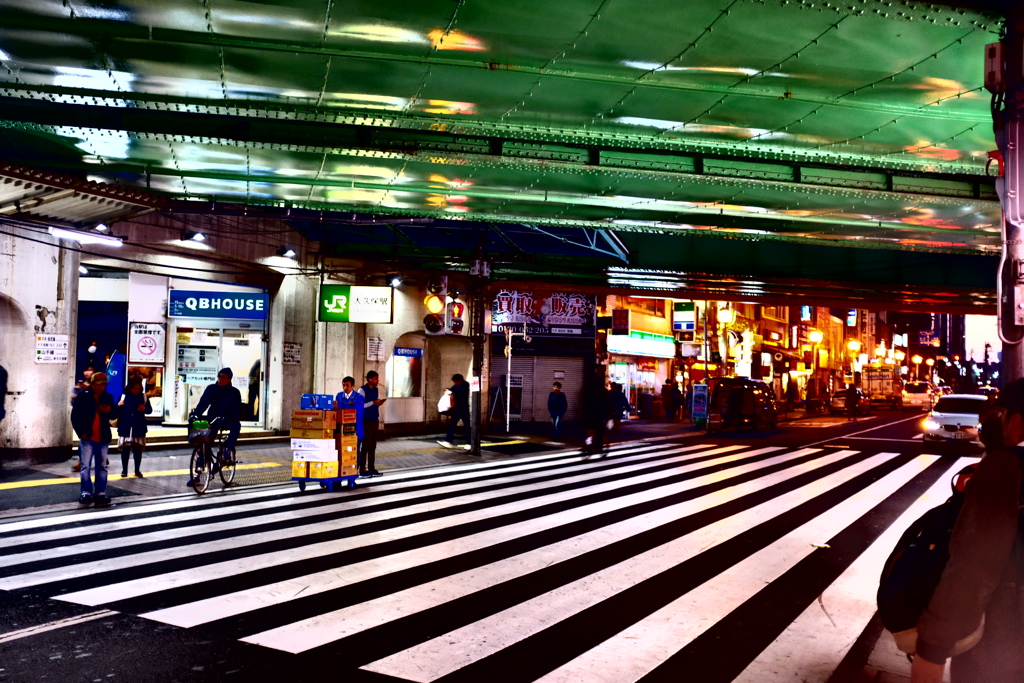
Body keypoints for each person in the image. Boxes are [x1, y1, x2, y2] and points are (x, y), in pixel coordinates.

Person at [912, 378, 1024, 683]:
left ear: (1014, 421)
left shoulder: (1005, 467)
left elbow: (974, 566)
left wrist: (933, 644)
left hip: (1006, 647)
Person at [69, 372, 119, 507]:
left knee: (101, 467)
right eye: (98, 385)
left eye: (103, 385)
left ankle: (100, 493)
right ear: (92, 384)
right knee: (85, 466)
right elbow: (75, 417)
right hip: (88, 437)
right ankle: (86, 492)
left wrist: (109, 410)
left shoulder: (107, 397)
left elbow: (115, 413)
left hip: (102, 437)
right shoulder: (84, 397)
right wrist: (81, 433)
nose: (100, 387)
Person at [190, 368, 242, 461]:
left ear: (229, 379)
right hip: (213, 417)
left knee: (236, 426)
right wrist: (196, 414)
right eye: (219, 377)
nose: (220, 379)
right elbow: (203, 403)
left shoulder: (234, 392)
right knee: (207, 437)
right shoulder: (212, 389)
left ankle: (228, 449)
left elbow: (237, 409)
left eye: (224, 377)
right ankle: (202, 458)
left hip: (228, 418)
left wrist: (229, 417)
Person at [117, 377, 152, 478]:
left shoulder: (143, 397)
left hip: (138, 425)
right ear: (130, 388)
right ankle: (124, 470)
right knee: (125, 449)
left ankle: (137, 470)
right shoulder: (124, 396)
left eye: (138, 388)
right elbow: (117, 411)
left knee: (137, 450)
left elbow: (149, 410)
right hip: (126, 426)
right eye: (134, 388)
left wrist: (144, 409)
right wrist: (119, 405)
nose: (136, 390)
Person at [358, 370, 385, 476]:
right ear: (370, 379)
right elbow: (361, 406)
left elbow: (375, 402)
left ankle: (371, 468)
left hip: (375, 420)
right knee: (366, 445)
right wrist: (373, 403)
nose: (377, 381)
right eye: (376, 378)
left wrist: (378, 403)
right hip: (366, 420)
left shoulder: (376, 389)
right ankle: (362, 469)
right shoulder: (362, 390)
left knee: (373, 445)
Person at [438, 374, 471, 450]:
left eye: (455, 382)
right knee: (452, 425)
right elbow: (452, 390)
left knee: (467, 426)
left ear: (459, 380)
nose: (455, 383)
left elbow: (455, 391)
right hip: (457, 409)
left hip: (463, 409)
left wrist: (450, 392)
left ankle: (470, 443)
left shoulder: (465, 385)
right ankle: (448, 441)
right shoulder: (458, 386)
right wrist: (448, 391)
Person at [582, 368, 611, 455]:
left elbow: (586, 403)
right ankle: (599, 447)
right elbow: (608, 404)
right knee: (600, 431)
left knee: (590, 431)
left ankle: (589, 445)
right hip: (601, 415)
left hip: (591, 414)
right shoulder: (604, 392)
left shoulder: (590, 391)